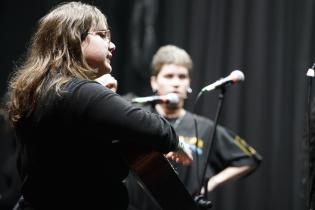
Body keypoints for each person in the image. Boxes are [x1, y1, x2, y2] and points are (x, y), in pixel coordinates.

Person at [6, 2, 192, 210]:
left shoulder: (40, 91)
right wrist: (178, 143)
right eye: (103, 35)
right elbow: (157, 129)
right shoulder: (78, 92)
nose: (112, 45)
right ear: (75, 37)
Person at [125, 45, 262, 210]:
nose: (176, 83)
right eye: (169, 76)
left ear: (189, 82)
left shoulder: (204, 128)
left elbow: (250, 158)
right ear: (154, 81)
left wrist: (212, 182)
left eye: (182, 77)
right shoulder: (138, 117)